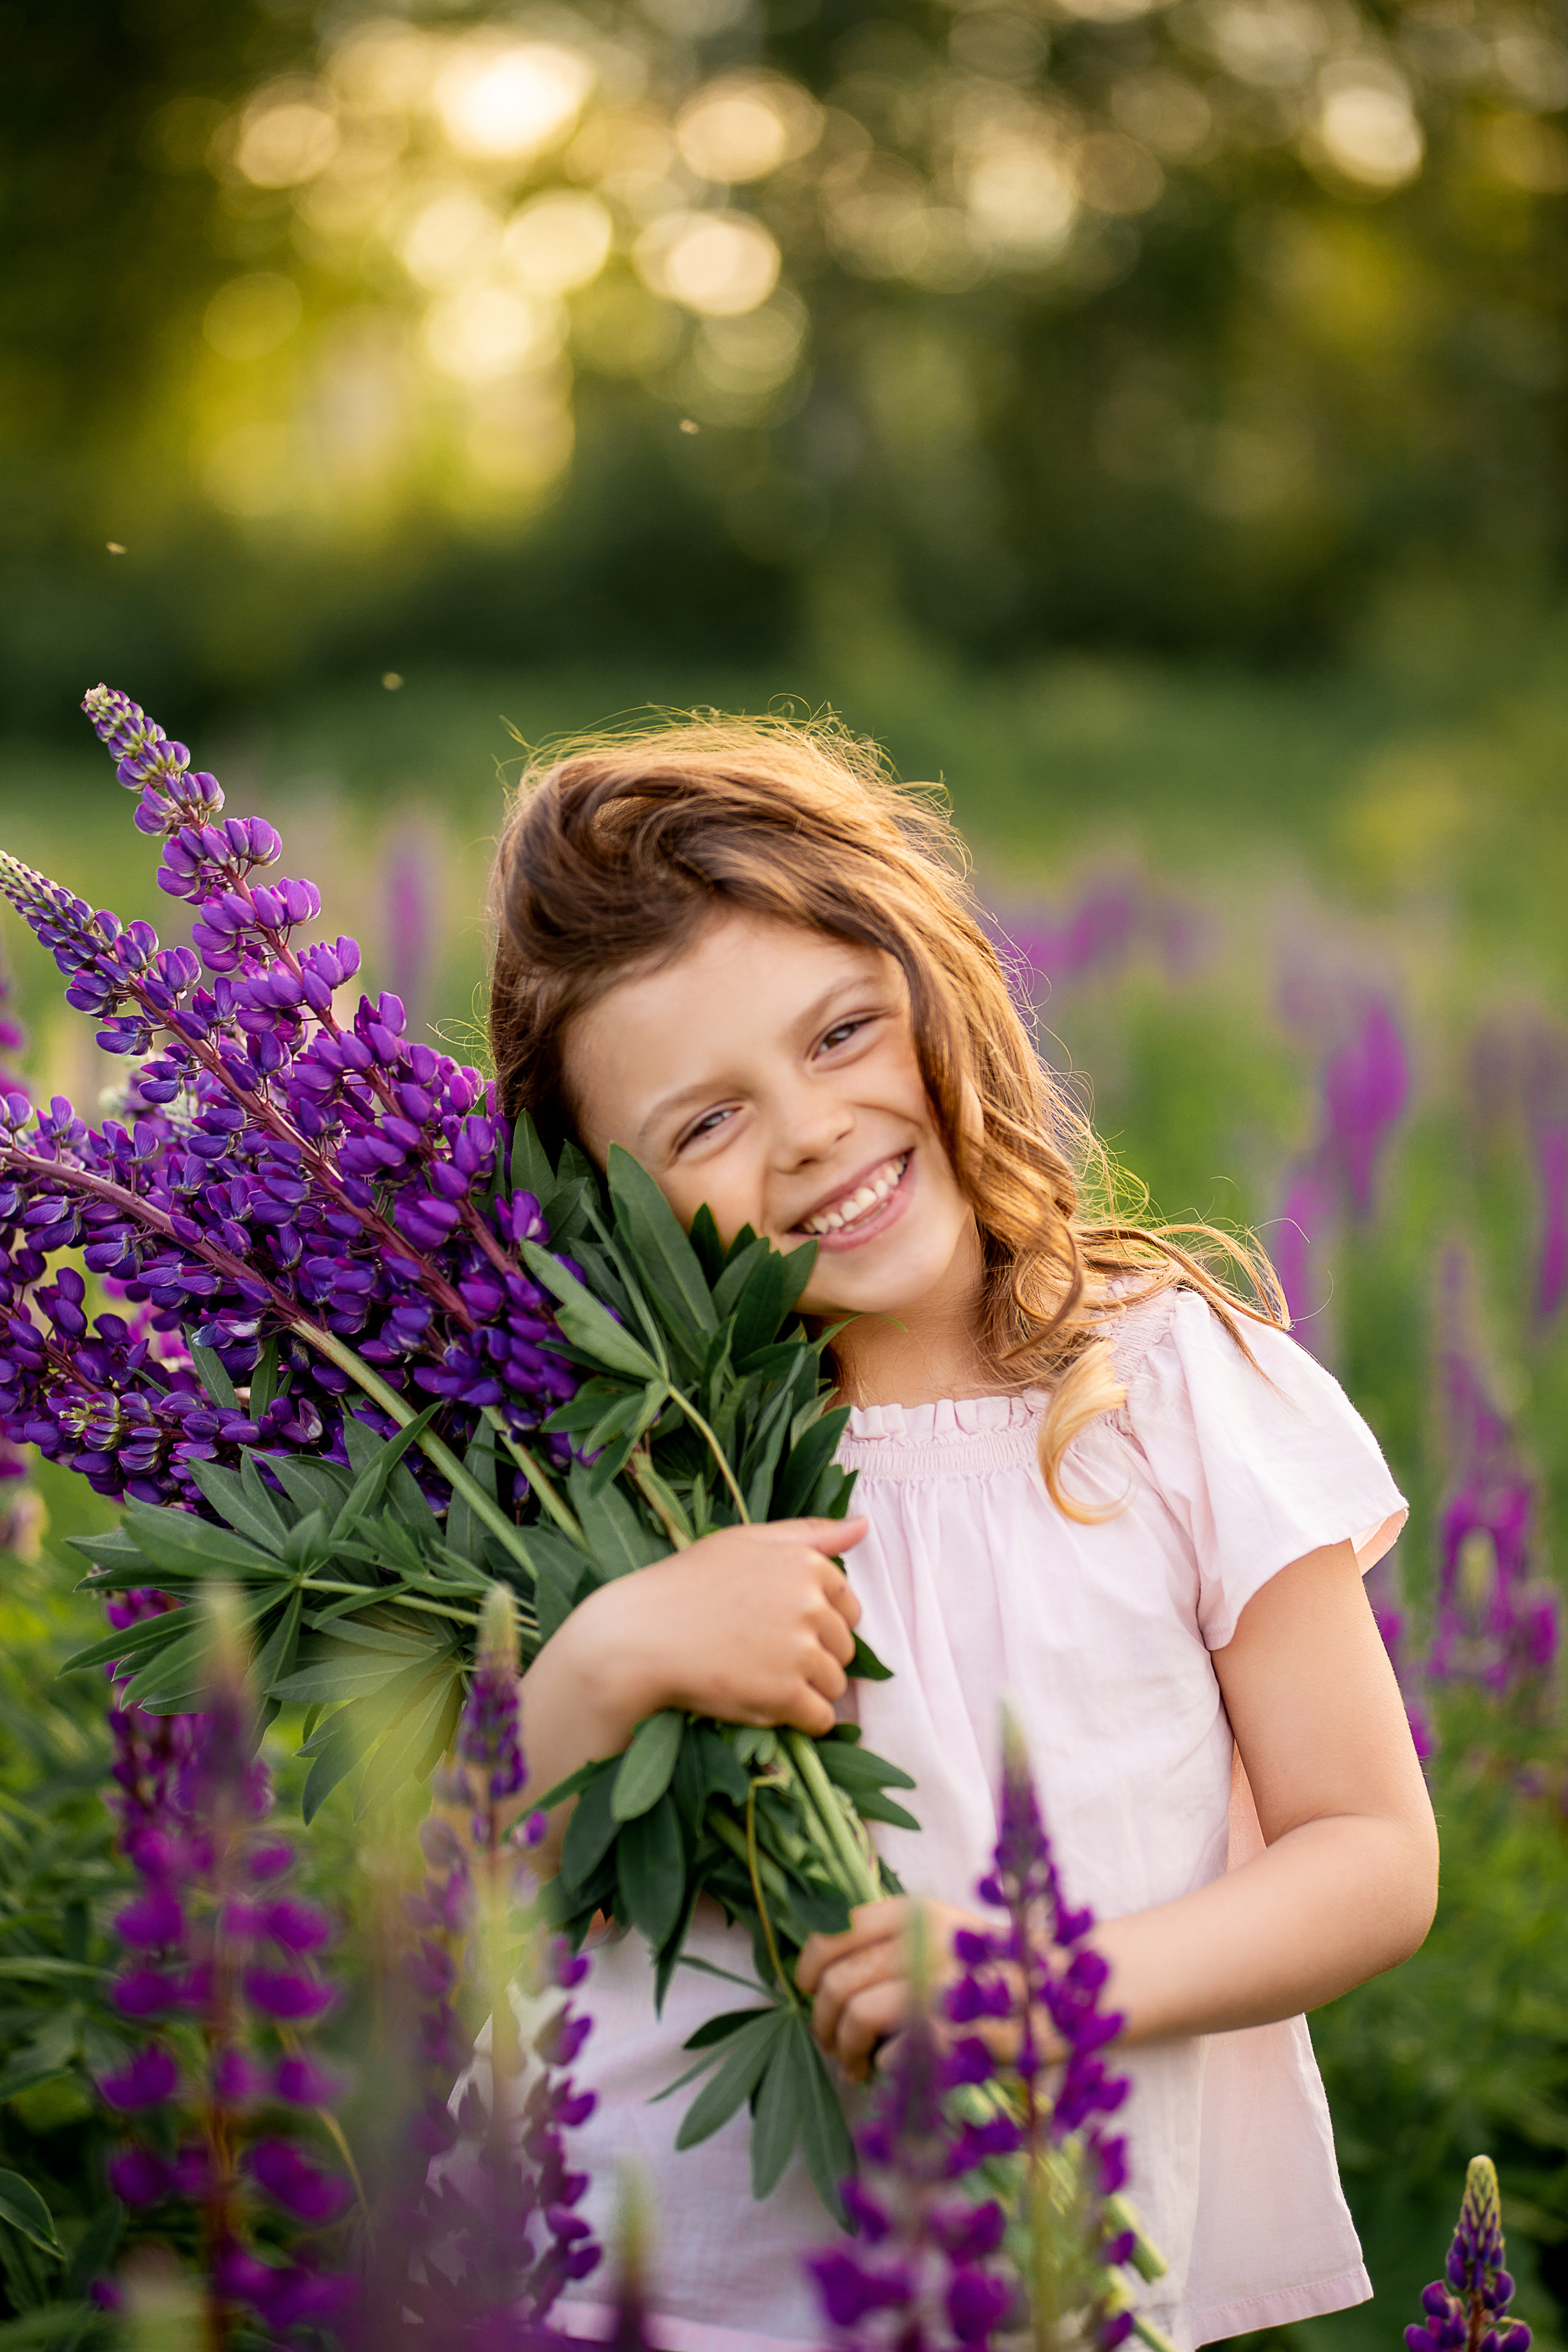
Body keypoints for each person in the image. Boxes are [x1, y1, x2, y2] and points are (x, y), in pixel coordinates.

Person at [481, 715, 1438, 2352]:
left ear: (941, 991)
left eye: (844, 1031)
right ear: (599, 1196)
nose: (809, 1128)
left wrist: (1032, 1988)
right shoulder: (623, 1455)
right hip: (673, 2284)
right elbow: (460, 1879)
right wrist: (608, 1653)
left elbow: (1371, 1858)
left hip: (1050, 2259)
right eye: (705, 1124)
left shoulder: (1169, 1384)